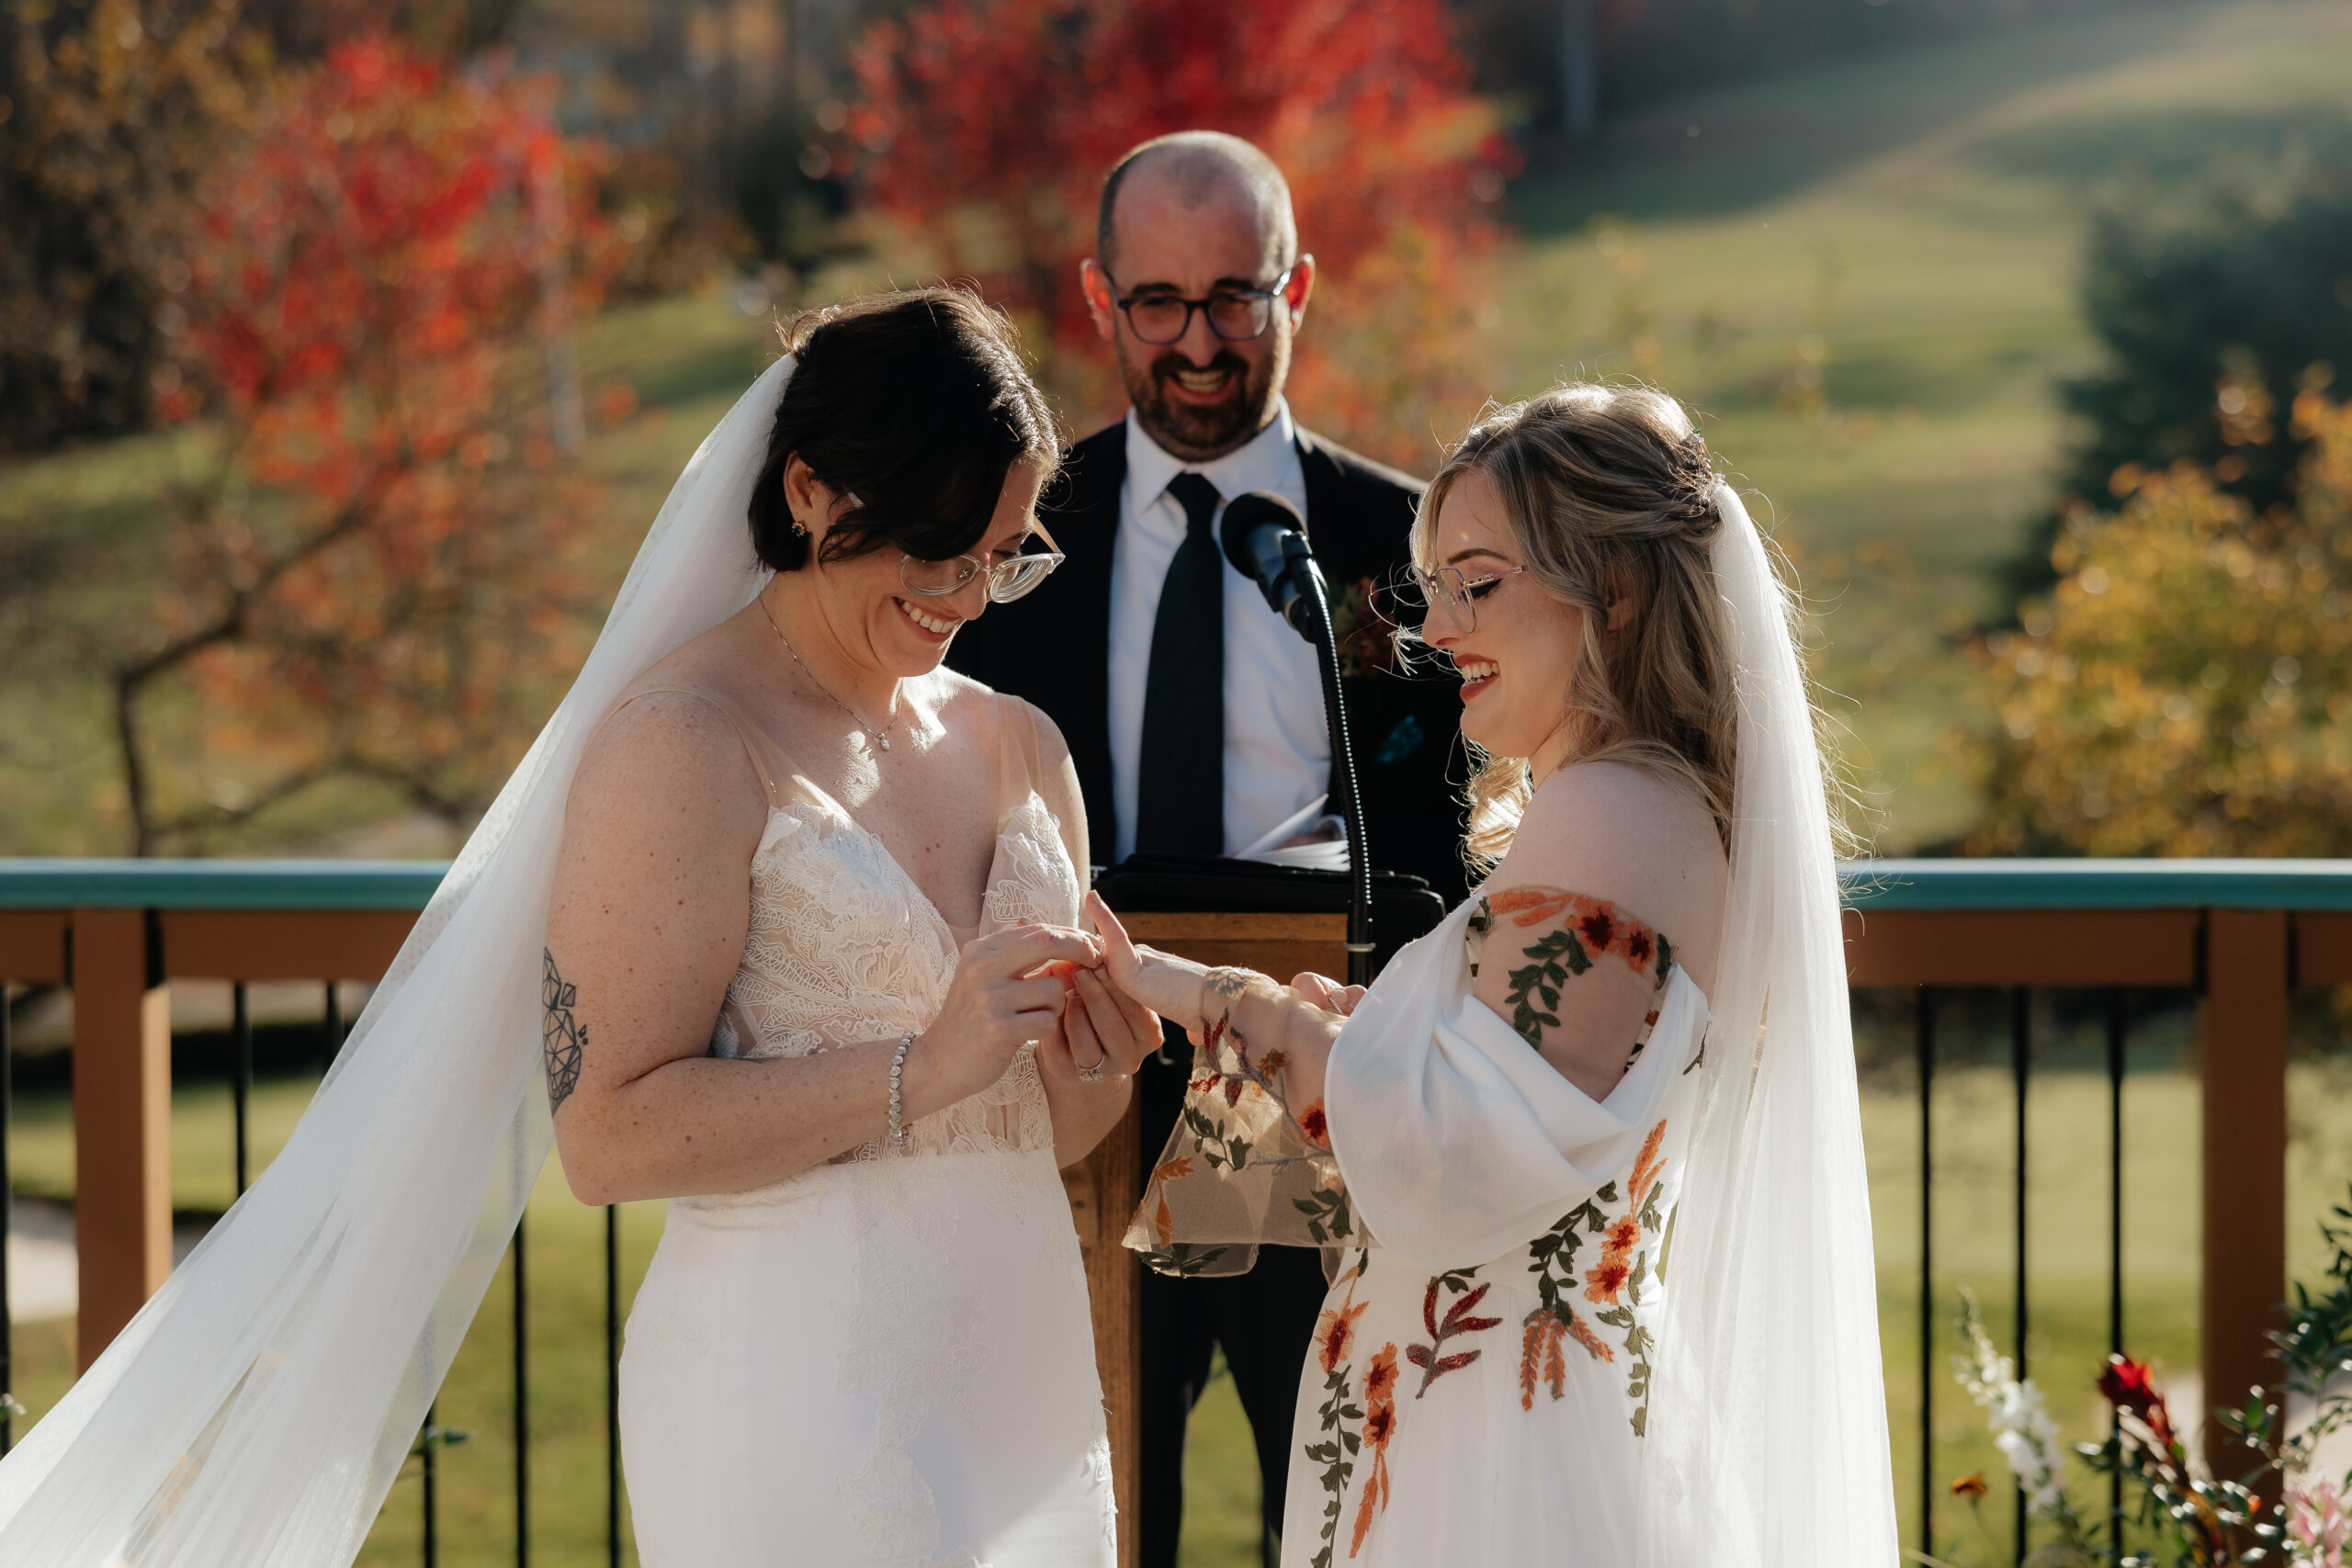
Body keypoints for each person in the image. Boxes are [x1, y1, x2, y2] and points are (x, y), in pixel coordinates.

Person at [0, 288, 1161, 1568]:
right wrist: (920, 1066)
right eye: (937, 549)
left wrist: (1087, 1069)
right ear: (816, 493)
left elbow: (1051, 1130)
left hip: (1026, 1367)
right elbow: (605, 1133)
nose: (969, 595)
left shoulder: (1019, 744)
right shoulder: (685, 742)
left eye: (1002, 554)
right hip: (800, 1389)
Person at [1089, 385, 1900, 1566]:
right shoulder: (1655, 811)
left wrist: (1236, 1006)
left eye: (1479, 582)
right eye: (1435, 589)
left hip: (1507, 1455)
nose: (1438, 630)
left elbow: (1448, 1164)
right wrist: (1321, 1026)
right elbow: (1519, 1110)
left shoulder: (1607, 810)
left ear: (1608, 590)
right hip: (1531, 1405)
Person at [947, 130, 1467, 1568]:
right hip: (1079, 1072)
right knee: (1097, 1503)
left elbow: (1452, 838)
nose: (1197, 342)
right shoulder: (1016, 537)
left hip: (1318, 1082)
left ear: (1297, 286)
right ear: (1099, 297)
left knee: (1344, 1497)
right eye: (1159, 301)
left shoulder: (1400, 543)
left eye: (1233, 297)